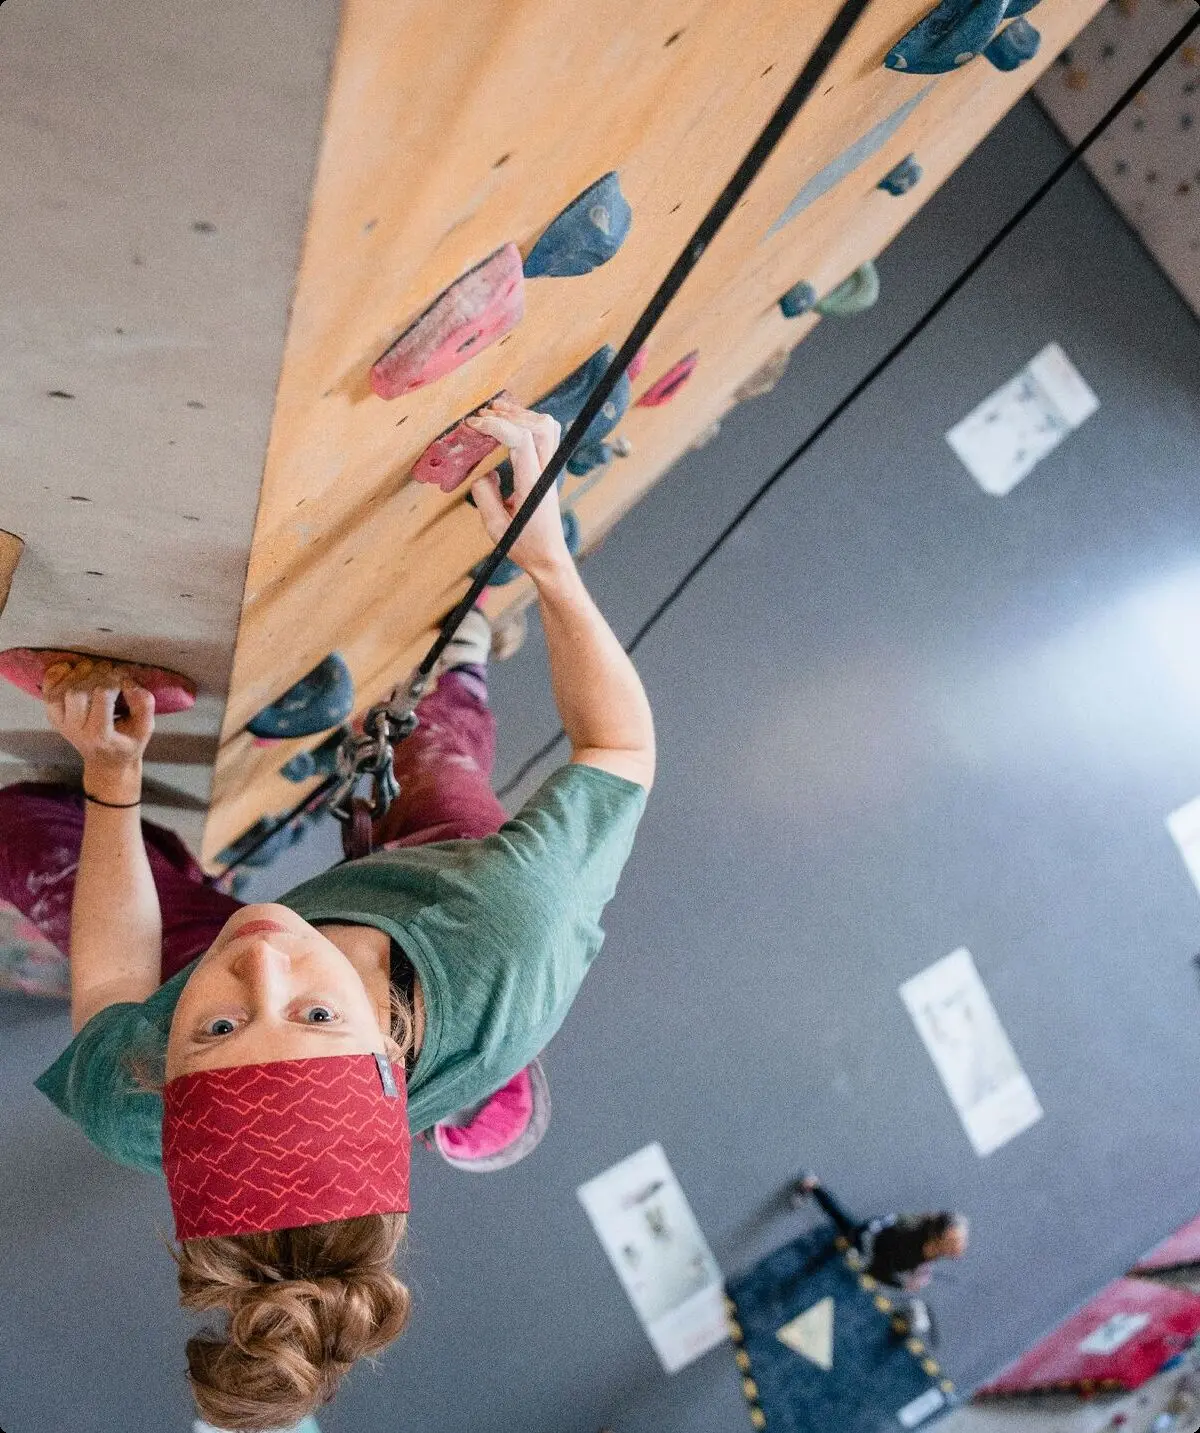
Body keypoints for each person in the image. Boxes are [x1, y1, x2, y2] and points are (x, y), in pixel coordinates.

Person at [0, 399, 655, 1432]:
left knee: (24, 831)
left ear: (169, 1077)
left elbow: (116, 983)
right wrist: (548, 558)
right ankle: (459, 677)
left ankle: (247, 1005)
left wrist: (112, 778)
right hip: (435, 894)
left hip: (290, 980)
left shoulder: (138, 1102)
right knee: (432, 751)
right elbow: (617, 751)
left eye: (218, 1030)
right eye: (313, 1017)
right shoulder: (508, 933)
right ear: (392, 1054)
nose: (261, 965)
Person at [789, 1174, 968, 1343]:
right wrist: (903, 1285)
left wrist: (917, 1272)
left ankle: (813, 1187)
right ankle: (812, 1186)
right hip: (869, 1242)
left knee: (844, 1226)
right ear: (937, 1240)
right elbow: (879, 1269)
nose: (960, 1249)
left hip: (878, 1238)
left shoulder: (930, 1243)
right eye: (954, 1242)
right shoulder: (909, 1243)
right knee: (842, 1229)